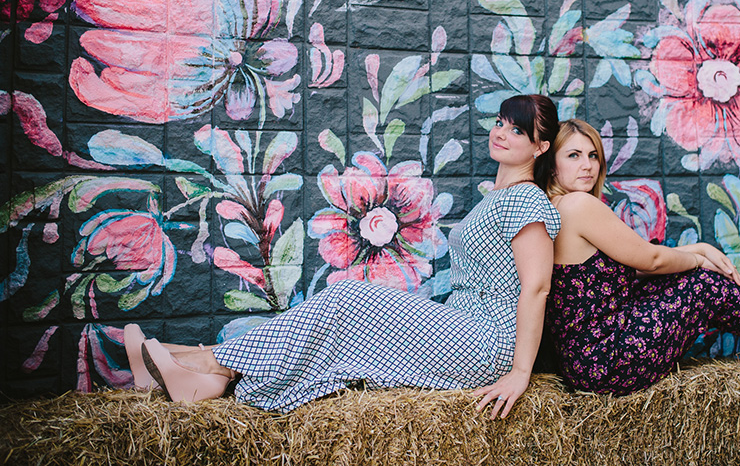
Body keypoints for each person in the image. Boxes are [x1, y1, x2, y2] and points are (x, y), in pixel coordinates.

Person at [125, 95, 561, 419]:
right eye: (501, 122)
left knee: (346, 299)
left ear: (540, 147)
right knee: (345, 316)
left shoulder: (526, 199)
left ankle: (209, 365)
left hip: (489, 342)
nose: (501, 132)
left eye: (517, 131)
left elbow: (537, 287)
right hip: (464, 327)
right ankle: (191, 364)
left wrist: (520, 372)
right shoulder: (495, 198)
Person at [541, 119, 740, 395]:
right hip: (606, 361)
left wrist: (699, 250)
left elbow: (628, 267)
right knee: (705, 286)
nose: (587, 165)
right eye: (573, 155)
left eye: (593, 155)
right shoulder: (578, 205)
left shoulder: (556, 207)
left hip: (588, 361)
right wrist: (698, 259)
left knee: (691, 280)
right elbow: (650, 261)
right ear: (552, 164)